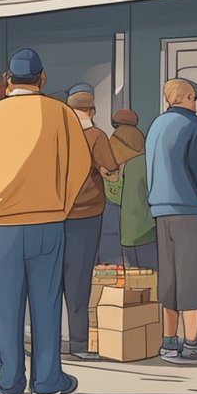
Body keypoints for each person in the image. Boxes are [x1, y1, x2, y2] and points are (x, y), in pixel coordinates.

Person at [0, 49, 89, 394]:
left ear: (7, 79)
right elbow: (80, 165)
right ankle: (47, 380)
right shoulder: (61, 114)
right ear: (42, 78)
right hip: (48, 220)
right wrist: (61, 203)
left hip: (2, 224)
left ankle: (10, 384)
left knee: (5, 306)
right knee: (47, 304)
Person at [145, 77, 197, 365]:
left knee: (169, 278)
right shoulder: (193, 126)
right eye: (195, 97)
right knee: (193, 275)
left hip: (161, 210)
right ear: (188, 97)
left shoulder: (156, 126)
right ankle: (192, 342)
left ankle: (169, 340)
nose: (196, 102)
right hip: (188, 209)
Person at [63, 85, 119, 360]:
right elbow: (110, 170)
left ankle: (48, 341)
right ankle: (78, 343)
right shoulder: (96, 135)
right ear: (92, 111)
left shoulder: (57, 134)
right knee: (78, 280)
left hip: (52, 214)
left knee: (50, 281)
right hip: (85, 213)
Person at [99, 108, 146, 265]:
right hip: (141, 225)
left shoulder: (115, 140)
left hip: (115, 221)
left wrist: (109, 179)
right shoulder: (140, 141)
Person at [118, 145, 157, 270]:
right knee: (152, 278)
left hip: (127, 233)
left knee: (133, 281)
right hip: (145, 231)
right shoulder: (148, 163)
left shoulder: (127, 164)